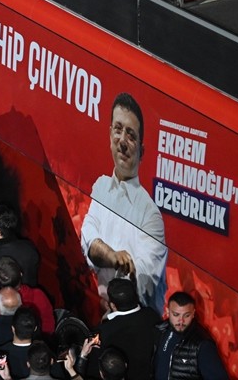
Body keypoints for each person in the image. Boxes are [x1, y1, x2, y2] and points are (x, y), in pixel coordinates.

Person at [80, 93, 166, 311]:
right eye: (118, 130)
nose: (123, 142)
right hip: (99, 308)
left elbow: (145, 285)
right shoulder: (101, 187)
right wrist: (112, 256)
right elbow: (88, 238)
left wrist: (118, 264)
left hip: (132, 319)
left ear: (141, 150)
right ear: (110, 135)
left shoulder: (150, 214)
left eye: (131, 135)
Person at [152, 291, 227, 380]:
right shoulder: (161, 330)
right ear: (168, 311)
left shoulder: (203, 345)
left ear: (193, 313)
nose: (181, 321)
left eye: (186, 315)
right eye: (176, 315)